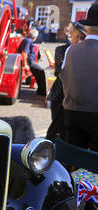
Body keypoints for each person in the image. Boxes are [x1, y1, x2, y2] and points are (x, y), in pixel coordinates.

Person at [60, 5, 98, 152]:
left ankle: (72, 175)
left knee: (74, 156)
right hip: (96, 114)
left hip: (72, 113)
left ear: (86, 28)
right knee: (94, 162)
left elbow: (63, 76)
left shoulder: (70, 50)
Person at [46, 21, 86, 142]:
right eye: (77, 36)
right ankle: (48, 153)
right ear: (72, 35)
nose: (78, 39)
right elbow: (60, 71)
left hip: (76, 97)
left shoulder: (85, 52)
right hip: (60, 94)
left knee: (69, 131)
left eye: (82, 37)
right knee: (56, 128)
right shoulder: (61, 50)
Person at [18, 28, 47, 96]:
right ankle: (42, 91)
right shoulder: (29, 41)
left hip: (30, 61)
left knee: (39, 73)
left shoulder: (27, 39)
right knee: (41, 71)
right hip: (29, 62)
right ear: (35, 37)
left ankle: (40, 90)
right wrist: (25, 65)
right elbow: (24, 53)